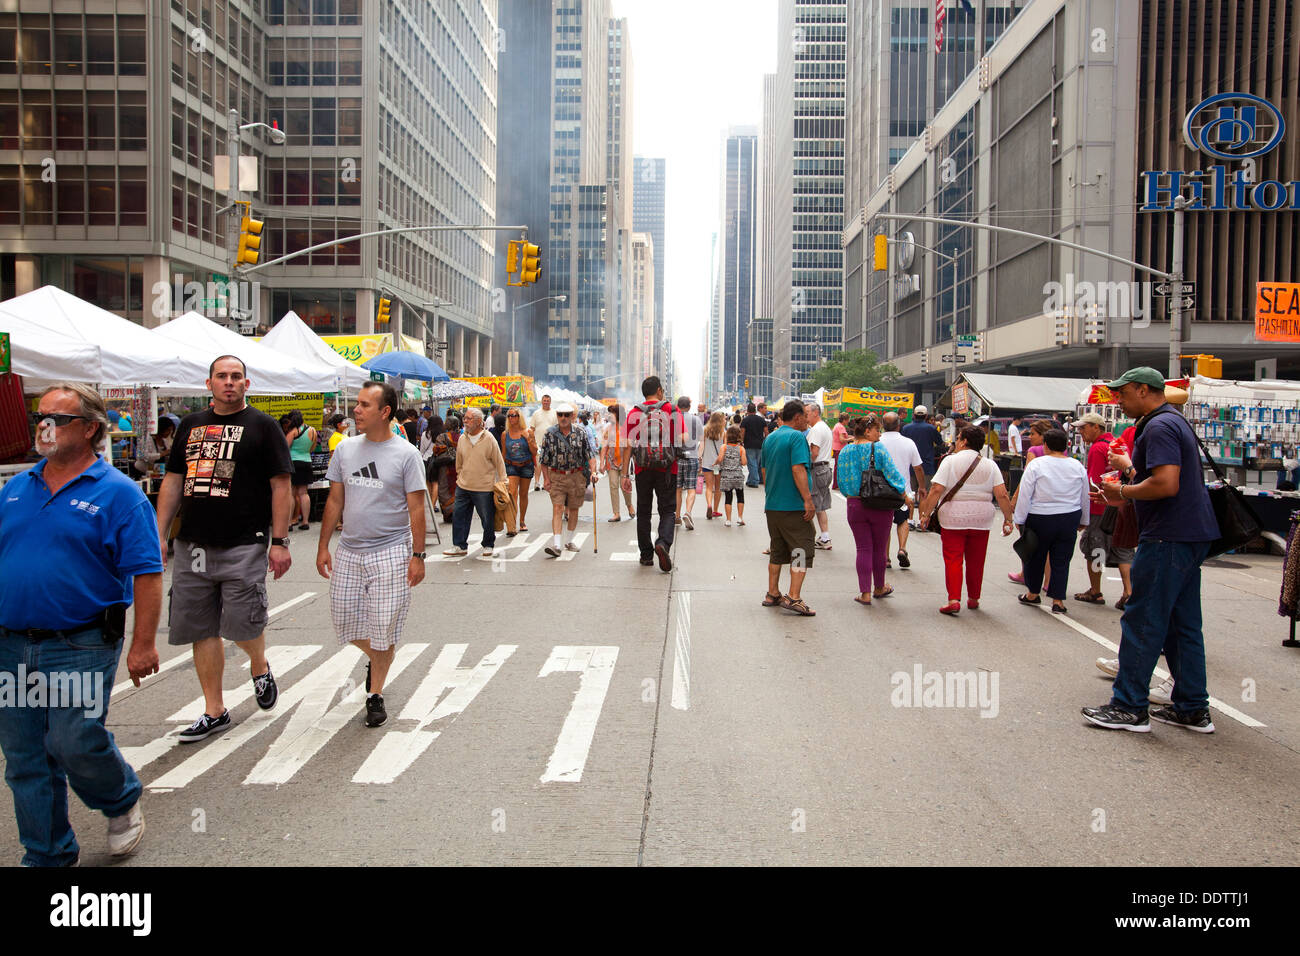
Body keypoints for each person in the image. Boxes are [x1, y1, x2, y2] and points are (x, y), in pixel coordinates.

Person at [0, 383, 161, 866]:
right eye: (40, 416)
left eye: (58, 418)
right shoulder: (16, 488)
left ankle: (120, 797)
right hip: (11, 644)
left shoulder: (118, 494)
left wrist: (144, 643)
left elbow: (147, 574)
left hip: (81, 641)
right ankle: (47, 854)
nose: (44, 425)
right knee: (25, 756)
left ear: (91, 428)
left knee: (72, 740)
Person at [155, 355, 292, 742]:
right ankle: (214, 710)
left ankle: (259, 664)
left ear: (247, 384)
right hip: (192, 544)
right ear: (209, 383)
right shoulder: (190, 425)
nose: (229, 382)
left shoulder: (264, 427)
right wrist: (159, 532)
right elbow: (174, 479)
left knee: (242, 624)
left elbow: (281, 485)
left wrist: (279, 542)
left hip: (244, 542)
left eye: (236, 377)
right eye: (222, 377)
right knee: (202, 627)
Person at [1083, 367, 1220, 734]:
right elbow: (1161, 481)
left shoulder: (1158, 426)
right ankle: (1192, 707)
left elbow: (1165, 484)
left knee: (1145, 620)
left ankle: (1129, 706)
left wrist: (1123, 492)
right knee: (1182, 624)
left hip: (1168, 536)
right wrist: (1127, 481)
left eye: (1123, 394)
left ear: (1144, 390)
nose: (1119, 401)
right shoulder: (1172, 421)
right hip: (1188, 534)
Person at [315, 381, 426, 728]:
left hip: (391, 550)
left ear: (385, 412)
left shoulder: (406, 454)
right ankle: (378, 657)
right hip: (349, 550)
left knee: (382, 625)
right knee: (345, 620)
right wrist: (323, 546)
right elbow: (335, 500)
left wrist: (418, 555)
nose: (356, 410)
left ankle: (375, 693)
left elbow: (417, 509)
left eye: (364, 405)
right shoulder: (345, 450)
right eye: (357, 404)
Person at [918, 424, 1014, 615]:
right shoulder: (990, 464)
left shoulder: (949, 461)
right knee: (976, 560)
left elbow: (936, 489)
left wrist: (925, 514)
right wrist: (1008, 519)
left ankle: (954, 599)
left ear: (964, 441)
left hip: (953, 516)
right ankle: (973, 598)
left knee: (953, 558)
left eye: (959, 438)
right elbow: (1002, 494)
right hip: (982, 517)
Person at [1012, 428, 1089, 614]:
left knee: (1034, 557)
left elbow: (1025, 494)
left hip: (1040, 517)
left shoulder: (1037, 465)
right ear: (1065, 446)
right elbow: (1084, 495)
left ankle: (1032, 593)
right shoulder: (1077, 466)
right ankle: (1058, 600)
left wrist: (1019, 519)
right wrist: (1084, 519)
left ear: (1045, 445)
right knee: (1061, 559)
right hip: (1068, 516)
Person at [837, 414, 908, 605]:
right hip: (880, 505)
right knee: (879, 549)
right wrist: (903, 492)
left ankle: (864, 593)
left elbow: (841, 482)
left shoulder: (845, 451)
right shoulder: (878, 448)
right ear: (868, 431)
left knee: (863, 549)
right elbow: (892, 474)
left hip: (854, 504)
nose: (880, 434)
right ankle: (879, 587)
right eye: (877, 430)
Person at [760, 400, 817, 615]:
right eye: (805, 416)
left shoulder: (771, 438)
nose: (807, 420)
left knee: (777, 550)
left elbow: (764, 470)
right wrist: (808, 500)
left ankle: (772, 592)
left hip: (773, 504)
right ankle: (794, 596)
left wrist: (771, 493)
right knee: (801, 548)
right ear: (797, 417)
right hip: (793, 505)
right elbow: (798, 469)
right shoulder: (797, 437)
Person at [625, 376, 681, 571]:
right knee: (667, 510)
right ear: (659, 391)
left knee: (643, 512)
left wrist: (625, 474)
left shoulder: (633, 413)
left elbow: (629, 445)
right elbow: (682, 438)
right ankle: (663, 543)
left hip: (642, 469)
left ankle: (646, 555)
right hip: (667, 469)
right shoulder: (671, 410)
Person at [1071, 412, 1126, 606]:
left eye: (1084, 428)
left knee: (1095, 549)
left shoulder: (1097, 448)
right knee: (1122, 549)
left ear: (1096, 427)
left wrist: (1083, 511)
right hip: (1120, 504)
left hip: (1100, 507)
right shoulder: (1117, 444)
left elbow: (1093, 482)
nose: (1081, 432)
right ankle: (1128, 590)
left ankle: (1095, 590)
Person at [440, 407, 506, 557]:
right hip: (463, 485)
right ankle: (459, 545)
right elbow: (459, 462)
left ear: (478, 422)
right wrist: (460, 477)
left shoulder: (488, 438)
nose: (465, 421)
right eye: (465, 418)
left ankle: (488, 544)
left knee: (487, 517)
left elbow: (499, 461)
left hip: (484, 487)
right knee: (459, 516)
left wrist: (504, 481)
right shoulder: (463, 438)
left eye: (469, 419)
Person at [538, 402, 599, 557]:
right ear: (557, 416)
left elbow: (590, 455)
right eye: (560, 415)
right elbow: (544, 460)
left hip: (576, 476)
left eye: (566, 415)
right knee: (558, 508)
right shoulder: (549, 434)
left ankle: (569, 540)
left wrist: (594, 472)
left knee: (573, 509)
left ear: (572, 416)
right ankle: (556, 545)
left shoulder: (581, 432)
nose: (563, 418)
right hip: (557, 476)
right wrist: (545, 479)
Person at [879, 411, 925, 569]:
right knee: (903, 520)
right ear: (899, 425)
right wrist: (922, 487)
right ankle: (902, 548)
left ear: (882, 425)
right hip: (902, 491)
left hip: (881, 491)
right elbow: (918, 468)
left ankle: (885, 558)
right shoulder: (908, 443)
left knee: (885, 524)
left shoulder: (877, 442)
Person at [804, 402, 835, 551]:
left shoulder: (816, 429)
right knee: (820, 506)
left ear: (816, 413)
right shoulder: (824, 427)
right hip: (825, 468)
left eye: (807, 413)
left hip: (817, 469)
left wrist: (803, 464)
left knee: (813, 504)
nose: (806, 416)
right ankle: (825, 536)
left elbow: (814, 453)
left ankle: (811, 537)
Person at [502, 407, 537, 534]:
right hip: (511, 466)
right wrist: (502, 471)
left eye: (514, 415)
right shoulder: (505, 434)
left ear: (519, 417)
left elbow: (534, 451)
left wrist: (528, 438)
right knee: (512, 493)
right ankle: (512, 524)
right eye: (509, 416)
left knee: (523, 494)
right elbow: (503, 454)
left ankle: (522, 521)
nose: (511, 418)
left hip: (526, 465)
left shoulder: (528, 432)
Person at [282, 410, 317, 532]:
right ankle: (305, 521)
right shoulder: (312, 430)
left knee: (291, 493)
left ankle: (289, 523)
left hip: (293, 462)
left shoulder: (293, 431)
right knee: (304, 493)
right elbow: (312, 447)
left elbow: (285, 447)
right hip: (307, 461)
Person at [601, 404, 636, 523]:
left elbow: (632, 447)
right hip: (611, 461)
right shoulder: (607, 429)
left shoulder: (627, 428)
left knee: (625, 485)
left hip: (624, 461)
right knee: (613, 486)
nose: (609, 415)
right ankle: (616, 513)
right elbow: (604, 447)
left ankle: (629, 505)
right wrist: (602, 463)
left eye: (612, 413)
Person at [902, 405, 946, 490]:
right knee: (925, 494)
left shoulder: (906, 428)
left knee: (910, 494)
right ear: (926, 416)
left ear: (914, 415)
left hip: (909, 467)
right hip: (926, 466)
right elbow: (940, 442)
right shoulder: (931, 428)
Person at [674, 395, 701, 530]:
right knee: (691, 489)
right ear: (689, 407)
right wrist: (699, 457)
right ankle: (688, 512)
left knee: (677, 489)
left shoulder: (674, 419)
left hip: (677, 458)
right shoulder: (696, 420)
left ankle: (677, 516)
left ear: (677, 406)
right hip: (692, 457)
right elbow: (701, 440)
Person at [428, 416, 462, 520]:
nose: (444, 423)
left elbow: (437, 450)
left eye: (446, 422)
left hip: (444, 468)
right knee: (457, 488)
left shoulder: (441, 437)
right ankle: (458, 512)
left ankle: (448, 514)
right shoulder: (462, 437)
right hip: (459, 467)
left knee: (444, 490)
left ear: (449, 424)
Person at [718, 424, 748, 525]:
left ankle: (728, 520)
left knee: (728, 497)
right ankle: (740, 518)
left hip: (726, 476)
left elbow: (720, 459)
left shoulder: (724, 447)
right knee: (740, 496)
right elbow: (744, 463)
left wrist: (716, 462)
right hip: (738, 476)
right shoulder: (741, 448)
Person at [699, 411, 727, 520]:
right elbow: (725, 448)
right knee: (718, 487)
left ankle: (709, 505)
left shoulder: (705, 430)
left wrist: (700, 458)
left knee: (709, 487)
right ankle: (715, 510)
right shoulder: (723, 432)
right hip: (718, 464)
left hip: (707, 463)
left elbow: (702, 447)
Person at [528, 394, 558, 492]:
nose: (546, 402)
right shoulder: (536, 413)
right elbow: (532, 429)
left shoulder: (554, 413)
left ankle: (547, 482)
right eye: (544, 400)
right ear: (542, 401)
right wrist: (532, 442)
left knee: (549, 464)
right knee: (538, 464)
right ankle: (537, 482)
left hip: (551, 443)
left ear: (550, 402)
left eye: (547, 400)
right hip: (538, 443)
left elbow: (558, 428)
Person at [740, 402, 767, 487]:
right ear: (755, 410)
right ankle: (750, 480)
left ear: (747, 411)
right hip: (760, 444)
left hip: (749, 444)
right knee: (756, 462)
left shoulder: (745, 420)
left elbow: (742, 432)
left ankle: (755, 480)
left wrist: (741, 442)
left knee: (752, 463)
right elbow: (766, 432)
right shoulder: (761, 420)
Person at [830, 411, 851, 490]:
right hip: (840, 449)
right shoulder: (841, 427)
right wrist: (851, 439)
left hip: (836, 448)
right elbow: (842, 440)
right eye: (848, 419)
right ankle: (837, 484)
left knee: (837, 467)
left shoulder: (837, 425)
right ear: (845, 420)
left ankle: (836, 484)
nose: (848, 421)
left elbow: (843, 436)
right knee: (840, 467)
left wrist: (849, 436)